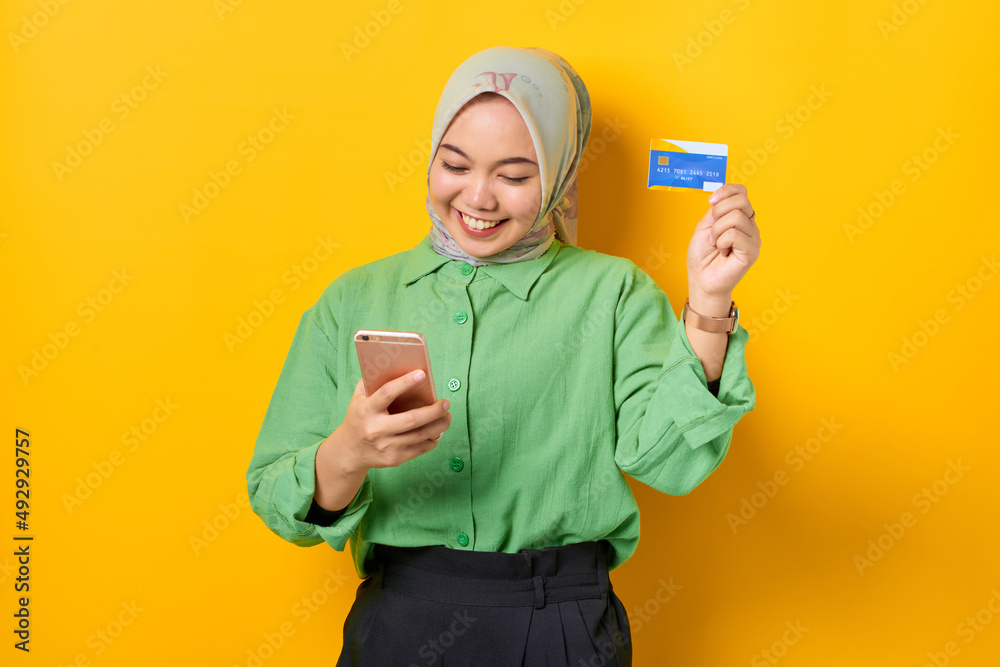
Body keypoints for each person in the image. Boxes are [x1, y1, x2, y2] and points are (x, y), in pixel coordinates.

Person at [247, 45, 759, 666]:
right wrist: (349, 451)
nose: (478, 198)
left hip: (560, 624)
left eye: (515, 176)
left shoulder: (613, 292)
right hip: (399, 625)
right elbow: (278, 498)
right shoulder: (352, 300)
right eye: (455, 165)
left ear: (560, 173)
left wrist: (708, 303)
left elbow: (670, 464)